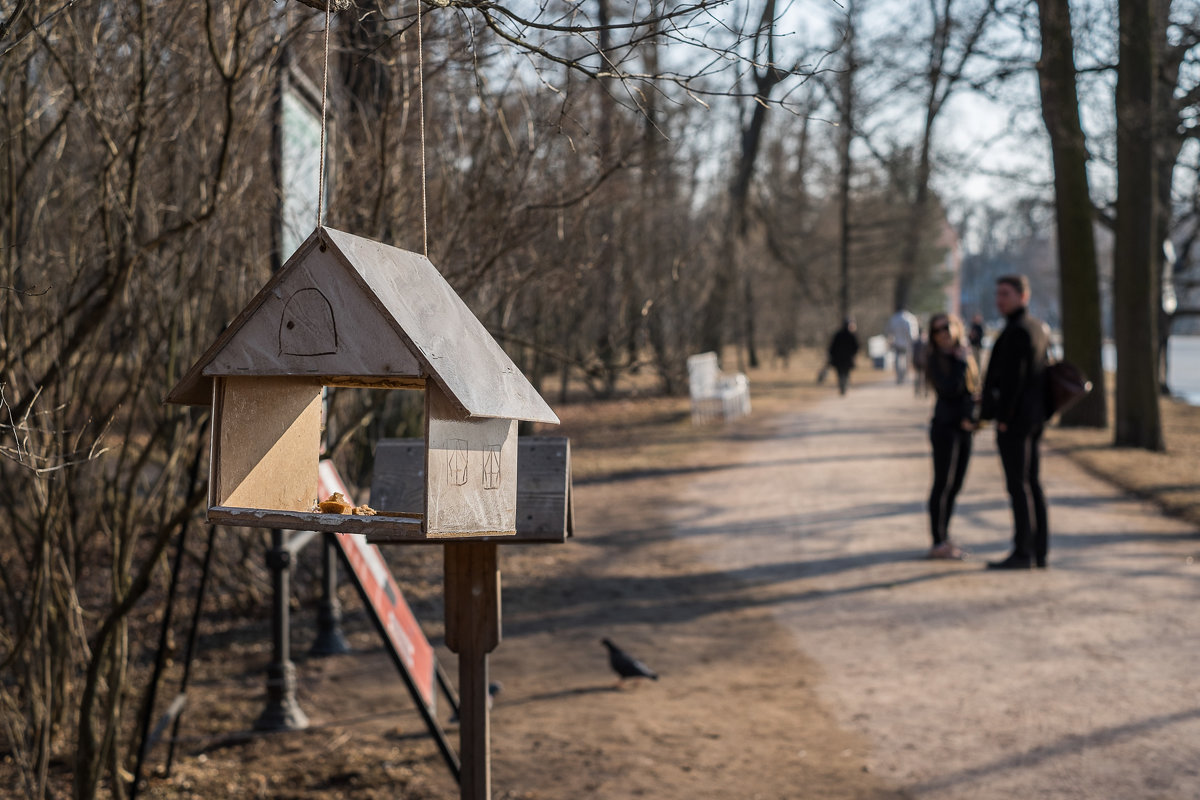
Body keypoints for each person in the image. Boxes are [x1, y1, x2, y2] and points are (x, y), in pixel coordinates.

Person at [979, 275, 1051, 570]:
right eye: (998, 294)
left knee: (1019, 485)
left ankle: (1023, 551)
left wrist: (1003, 418)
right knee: (1031, 483)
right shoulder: (1035, 328)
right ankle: (1038, 551)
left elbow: (1013, 382)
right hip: (1032, 419)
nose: (1000, 300)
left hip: (1017, 422)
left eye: (1006, 294)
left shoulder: (1019, 331)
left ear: (1024, 296)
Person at [924, 313, 979, 559]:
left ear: (956, 326)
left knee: (956, 484)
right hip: (945, 428)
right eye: (937, 331)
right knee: (942, 484)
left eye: (946, 327)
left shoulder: (965, 356)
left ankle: (945, 536)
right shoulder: (936, 360)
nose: (943, 333)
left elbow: (973, 390)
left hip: (964, 428)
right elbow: (949, 389)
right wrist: (960, 362)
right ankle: (938, 541)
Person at [827, 319, 860, 396]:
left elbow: (832, 347)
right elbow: (856, 347)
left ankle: (842, 385)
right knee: (846, 373)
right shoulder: (852, 335)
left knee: (840, 373)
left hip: (838, 359)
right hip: (847, 359)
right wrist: (853, 354)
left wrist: (831, 355)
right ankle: (844, 385)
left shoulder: (838, 335)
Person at [887, 308, 919, 383]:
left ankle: (899, 376)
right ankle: (903, 376)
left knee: (898, 360)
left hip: (897, 342)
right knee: (906, 360)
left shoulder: (894, 318)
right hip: (907, 343)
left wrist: (890, 340)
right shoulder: (910, 318)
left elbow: (889, 330)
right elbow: (912, 332)